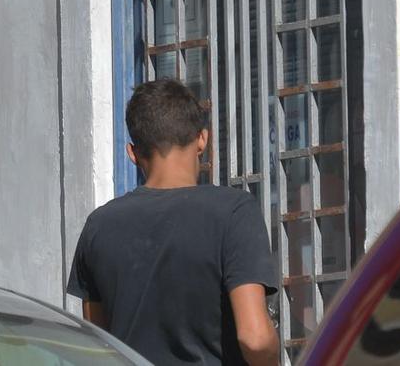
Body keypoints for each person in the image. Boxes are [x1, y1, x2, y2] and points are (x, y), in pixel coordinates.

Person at [67, 79, 281, 366]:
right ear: (202, 139)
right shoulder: (234, 212)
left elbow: (100, 350)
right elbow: (254, 339)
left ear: (132, 153)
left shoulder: (98, 226)